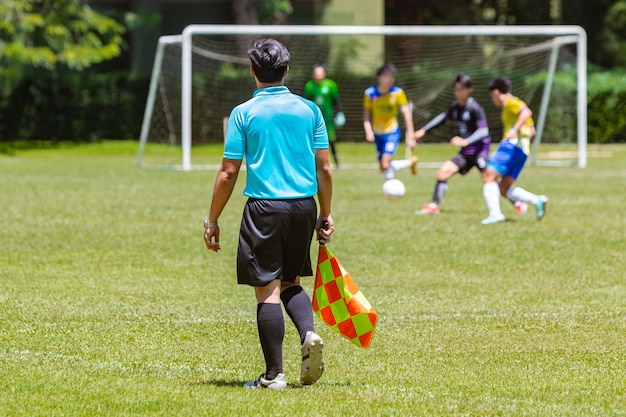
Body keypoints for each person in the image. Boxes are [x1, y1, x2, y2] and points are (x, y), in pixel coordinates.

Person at [203, 38, 334, 389]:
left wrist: (212, 219)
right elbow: (324, 169)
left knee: (267, 289)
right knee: (291, 281)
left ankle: (274, 376)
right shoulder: (310, 110)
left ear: (252, 71)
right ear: (287, 71)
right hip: (304, 206)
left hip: (265, 208)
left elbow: (229, 172)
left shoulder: (244, 113)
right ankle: (308, 333)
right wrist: (325, 212)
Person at [414, 73, 491, 215]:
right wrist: (423, 130)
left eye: (461, 89)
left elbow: (483, 131)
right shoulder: (455, 107)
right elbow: (441, 118)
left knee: (490, 180)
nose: (458, 92)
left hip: (480, 151)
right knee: (442, 173)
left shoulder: (475, 108)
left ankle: (517, 202)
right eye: (456, 89)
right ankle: (434, 206)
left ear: (469, 89)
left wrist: (465, 141)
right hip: (465, 153)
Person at [481, 75, 548, 224]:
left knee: (488, 176)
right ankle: (537, 200)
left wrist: (513, 130)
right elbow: (532, 131)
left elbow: (526, 113)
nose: (493, 100)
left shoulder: (510, 102)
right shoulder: (517, 103)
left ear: (496, 92)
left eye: (492, 96)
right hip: (523, 150)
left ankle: (495, 214)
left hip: (512, 146)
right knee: (504, 188)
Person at [363, 64, 418, 183]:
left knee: (385, 162)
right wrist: (368, 131)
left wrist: (411, 136)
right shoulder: (370, 93)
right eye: (386, 76)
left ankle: (389, 190)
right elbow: (366, 115)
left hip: (392, 132)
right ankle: (410, 163)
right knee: (383, 167)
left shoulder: (398, 93)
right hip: (378, 132)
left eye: (392, 77)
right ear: (379, 77)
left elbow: (406, 114)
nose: (389, 79)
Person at [304, 64, 345, 168]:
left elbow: (336, 101)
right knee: (312, 141)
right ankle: (312, 163)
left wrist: (339, 113)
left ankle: (336, 163)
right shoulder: (309, 86)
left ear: (324, 74)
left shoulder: (331, 85)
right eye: (316, 73)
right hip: (313, 119)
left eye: (320, 72)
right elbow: (306, 102)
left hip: (327, 118)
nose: (318, 75)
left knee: (331, 140)